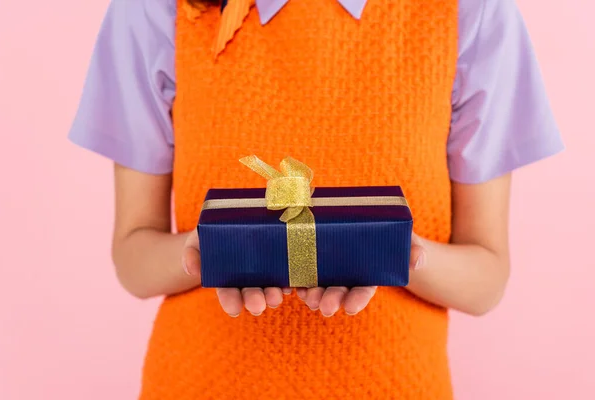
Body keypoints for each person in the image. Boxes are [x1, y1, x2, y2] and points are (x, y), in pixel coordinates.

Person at [68, 0, 564, 398]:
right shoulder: (155, 10)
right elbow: (133, 258)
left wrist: (396, 252)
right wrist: (214, 250)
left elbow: (486, 280)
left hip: (397, 385)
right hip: (200, 382)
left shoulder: (472, 13)